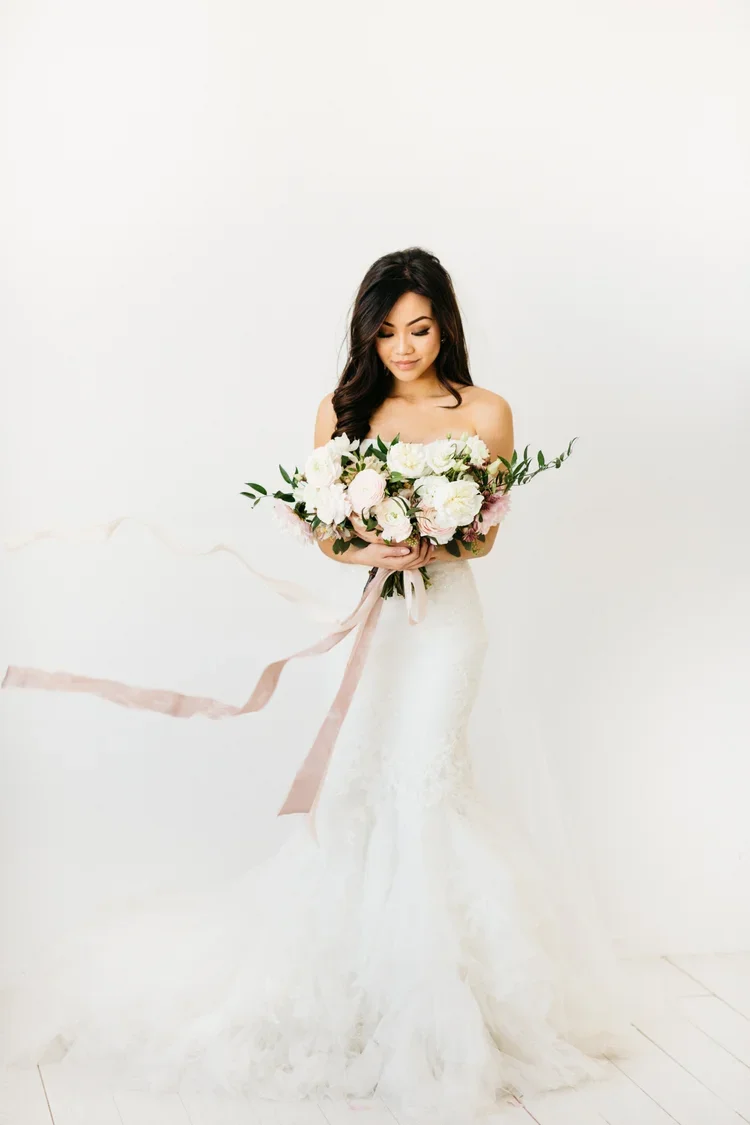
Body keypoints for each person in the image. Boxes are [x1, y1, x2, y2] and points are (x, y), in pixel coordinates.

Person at [0, 247, 646, 1125]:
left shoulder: (486, 412)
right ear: (367, 333)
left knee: (424, 783)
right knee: (348, 788)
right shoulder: (343, 409)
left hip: (448, 622)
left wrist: (434, 539)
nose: (404, 347)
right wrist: (371, 546)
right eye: (386, 331)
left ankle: (450, 1018)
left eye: (418, 328)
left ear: (445, 323)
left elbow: (485, 538)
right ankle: (349, 997)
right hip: (379, 620)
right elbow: (327, 534)